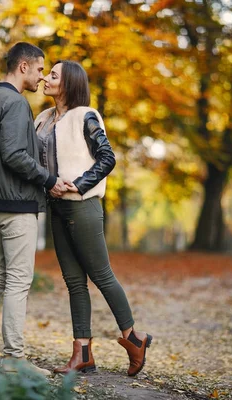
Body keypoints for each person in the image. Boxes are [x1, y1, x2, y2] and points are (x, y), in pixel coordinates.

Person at [35, 60, 152, 376]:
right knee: (74, 281)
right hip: (56, 208)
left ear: (69, 83)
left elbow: (107, 157)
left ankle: (133, 337)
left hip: (83, 206)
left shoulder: (85, 116)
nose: (46, 78)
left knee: (101, 274)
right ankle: (82, 352)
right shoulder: (43, 119)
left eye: (53, 75)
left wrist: (80, 183)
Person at [0, 43, 70, 376]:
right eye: (40, 69)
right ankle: (14, 358)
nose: (42, 77)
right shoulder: (14, 103)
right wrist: (48, 179)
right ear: (23, 66)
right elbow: (13, 154)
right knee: (17, 282)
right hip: (15, 205)